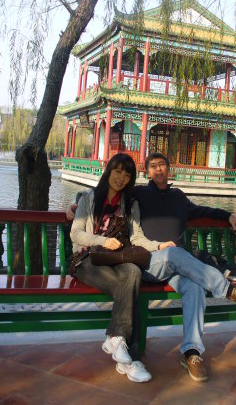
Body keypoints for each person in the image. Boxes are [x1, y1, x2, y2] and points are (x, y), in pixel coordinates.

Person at [129, 152, 236, 382]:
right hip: (151, 263)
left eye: (162, 165)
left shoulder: (178, 197)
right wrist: (76, 204)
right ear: (147, 171)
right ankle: (229, 290)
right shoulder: (138, 193)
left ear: (169, 168)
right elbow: (105, 193)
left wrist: (227, 215)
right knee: (172, 252)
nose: (158, 169)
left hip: (177, 268)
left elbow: (202, 210)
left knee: (195, 288)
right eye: (153, 166)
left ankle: (192, 353)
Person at [70, 153, 151, 383]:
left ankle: (116, 341)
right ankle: (131, 359)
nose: (121, 177)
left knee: (133, 273)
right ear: (108, 171)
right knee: (129, 290)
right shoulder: (89, 198)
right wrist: (102, 241)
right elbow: (75, 234)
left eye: (127, 174)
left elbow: (138, 237)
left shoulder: (130, 204)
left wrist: (159, 245)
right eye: (117, 171)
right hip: (86, 260)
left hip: (116, 259)